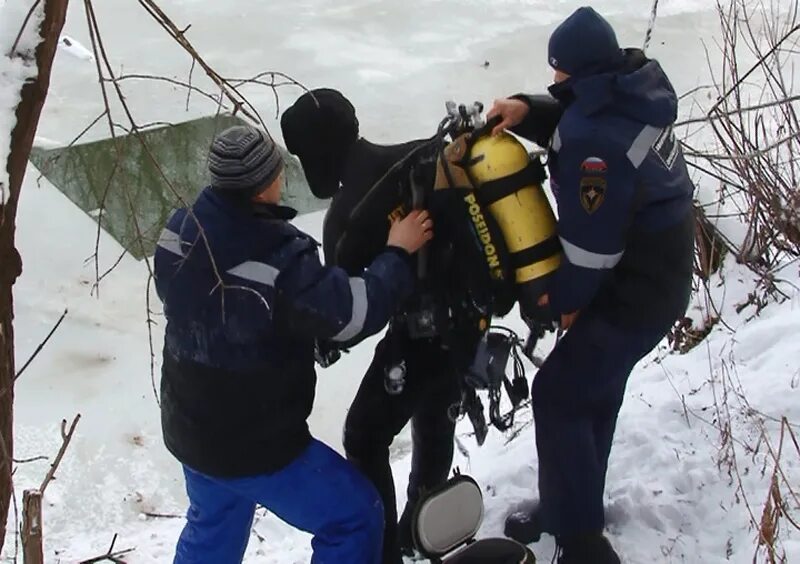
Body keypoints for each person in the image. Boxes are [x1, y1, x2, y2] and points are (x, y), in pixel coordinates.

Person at [152, 124, 434, 564]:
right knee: (355, 516)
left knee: (215, 524)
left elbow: (205, 305)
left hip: (190, 425)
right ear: (267, 182)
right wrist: (397, 253)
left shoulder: (178, 231)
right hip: (256, 442)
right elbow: (352, 315)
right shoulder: (279, 255)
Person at [487, 6, 696, 564]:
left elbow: (590, 250)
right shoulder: (633, 87)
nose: (554, 83)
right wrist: (526, 110)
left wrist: (558, 301)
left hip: (636, 287)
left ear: (576, 73)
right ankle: (570, 507)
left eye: (557, 75)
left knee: (559, 393)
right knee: (588, 387)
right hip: (665, 267)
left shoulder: (594, 145)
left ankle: (581, 545)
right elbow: (579, 111)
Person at [281, 89, 490, 564]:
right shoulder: (418, 156)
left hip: (421, 338)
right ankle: (426, 530)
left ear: (316, 152)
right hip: (468, 324)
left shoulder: (348, 219)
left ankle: (385, 554)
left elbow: (347, 320)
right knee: (435, 414)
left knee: (364, 435)